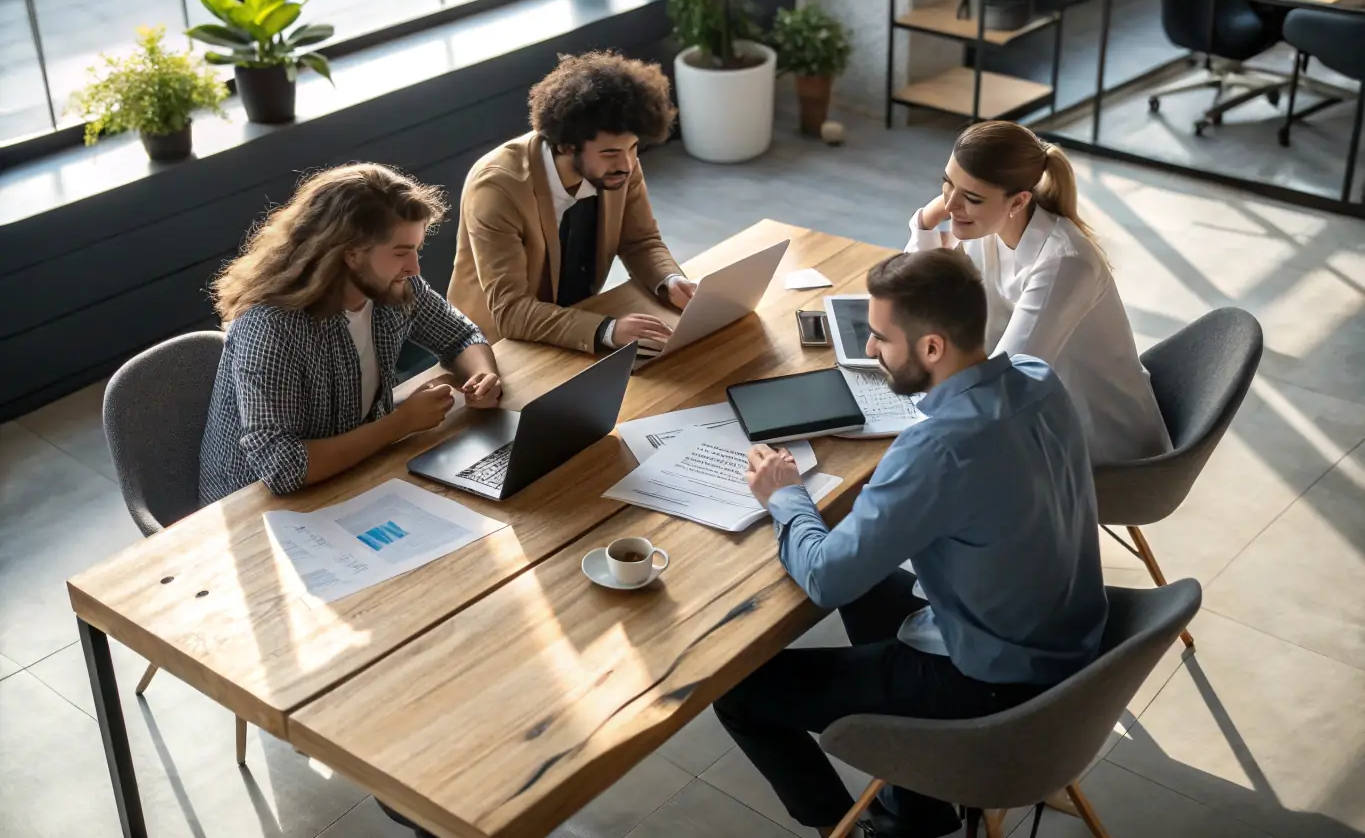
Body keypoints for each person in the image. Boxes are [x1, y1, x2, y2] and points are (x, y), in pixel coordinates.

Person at [720, 249, 1109, 838]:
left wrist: (784, 496)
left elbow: (826, 578)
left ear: (931, 348)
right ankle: (919, 809)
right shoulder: (1037, 377)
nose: (870, 350)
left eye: (879, 338)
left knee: (741, 692)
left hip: (991, 687)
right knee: (868, 577)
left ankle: (852, 830)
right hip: (1066, 648)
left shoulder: (939, 448)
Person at [199, 164, 501, 505]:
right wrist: (401, 423)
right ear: (351, 255)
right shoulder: (271, 326)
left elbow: (460, 335)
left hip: (355, 473)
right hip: (259, 507)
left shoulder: (394, 287)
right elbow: (281, 467)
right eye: (401, 253)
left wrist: (483, 375)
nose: (414, 268)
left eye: (416, 250)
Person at [904, 120, 1169, 465]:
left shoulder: (1065, 263)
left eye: (970, 197)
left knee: (927, 467)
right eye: (947, 185)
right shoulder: (988, 227)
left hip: (1102, 445)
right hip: (1034, 413)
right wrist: (924, 222)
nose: (952, 205)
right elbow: (918, 298)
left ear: (1018, 201)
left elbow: (1004, 383)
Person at [448, 50, 695, 354]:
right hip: (494, 349)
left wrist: (669, 280)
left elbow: (640, 241)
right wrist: (607, 329)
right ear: (566, 146)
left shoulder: (618, 166)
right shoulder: (498, 187)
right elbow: (511, 311)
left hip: (574, 326)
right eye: (610, 153)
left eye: (633, 148)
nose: (627, 164)